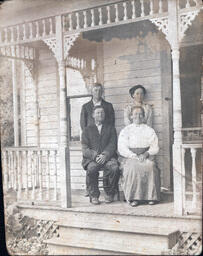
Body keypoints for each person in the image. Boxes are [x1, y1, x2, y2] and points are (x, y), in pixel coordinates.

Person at [118, 106, 160, 207]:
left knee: (150, 166)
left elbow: (155, 146)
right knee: (132, 168)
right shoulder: (126, 130)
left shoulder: (149, 130)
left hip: (146, 155)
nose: (138, 116)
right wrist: (132, 155)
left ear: (144, 116)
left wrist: (146, 154)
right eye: (135, 114)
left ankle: (151, 197)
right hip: (131, 156)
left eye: (141, 114)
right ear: (131, 116)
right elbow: (122, 147)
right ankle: (134, 197)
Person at [80, 83, 115, 196]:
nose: (97, 93)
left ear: (102, 92)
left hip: (105, 140)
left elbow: (112, 125)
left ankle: (108, 191)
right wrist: (91, 134)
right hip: (92, 142)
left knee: (111, 166)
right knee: (92, 167)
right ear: (91, 91)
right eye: (95, 90)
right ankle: (91, 190)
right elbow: (83, 125)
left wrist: (105, 153)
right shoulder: (86, 107)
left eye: (100, 90)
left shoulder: (108, 106)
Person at [81, 106, 120, 205]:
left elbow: (113, 144)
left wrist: (105, 155)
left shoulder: (110, 128)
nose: (100, 114)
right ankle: (94, 195)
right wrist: (95, 156)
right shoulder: (87, 130)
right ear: (93, 115)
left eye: (102, 113)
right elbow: (85, 149)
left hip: (108, 157)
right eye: (98, 113)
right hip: (92, 159)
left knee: (114, 168)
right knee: (91, 168)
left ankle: (109, 193)